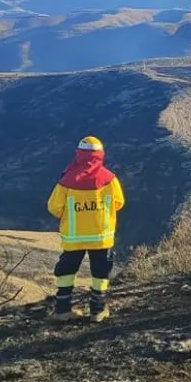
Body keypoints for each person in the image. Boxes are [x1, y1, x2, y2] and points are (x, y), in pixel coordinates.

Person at [47, 136, 125, 322]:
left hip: (74, 239)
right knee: (100, 272)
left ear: (79, 154)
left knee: (67, 270)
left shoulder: (66, 180)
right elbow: (119, 202)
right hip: (101, 237)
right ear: (100, 155)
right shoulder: (109, 179)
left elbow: (54, 207)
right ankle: (97, 311)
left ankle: (63, 310)